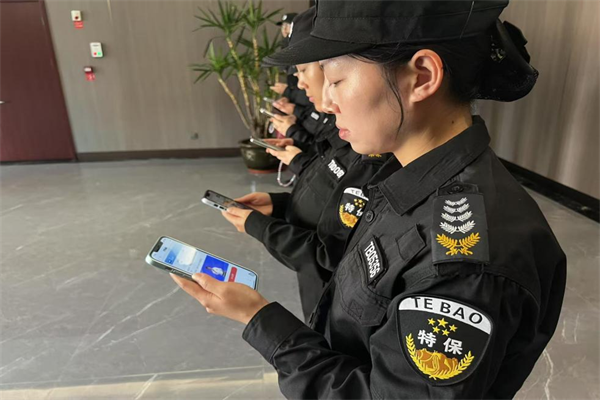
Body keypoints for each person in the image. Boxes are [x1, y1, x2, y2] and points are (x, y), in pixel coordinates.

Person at [172, 1, 567, 398]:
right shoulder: (404, 174)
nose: (327, 103)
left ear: (422, 76)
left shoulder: (464, 262)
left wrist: (259, 318)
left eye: (337, 80)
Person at [221, 8, 391, 322]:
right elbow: (328, 197)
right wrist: (280, 205)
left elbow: (330, 256)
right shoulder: (352, 136)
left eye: (335, 79)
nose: (299, 85)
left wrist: (256, 318)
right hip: (318, 294)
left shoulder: (376, 154)